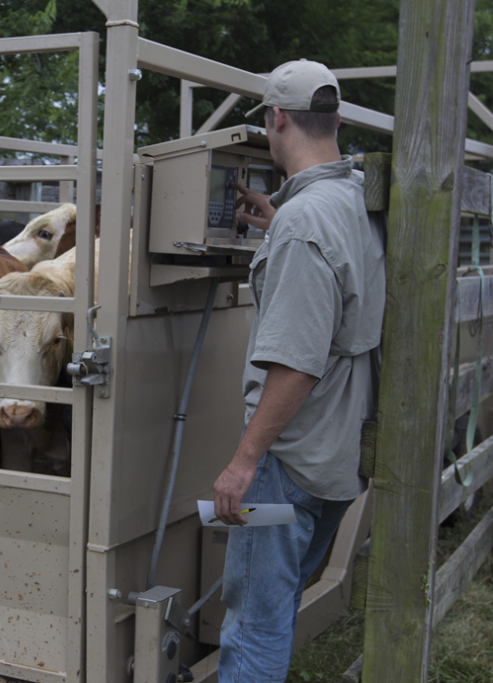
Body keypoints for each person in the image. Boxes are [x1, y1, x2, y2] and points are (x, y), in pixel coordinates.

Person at [212, 60, 385, 683]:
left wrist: (245, 462)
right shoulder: (359, 199)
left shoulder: (303, 226)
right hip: (336, 458)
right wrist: (276, 217)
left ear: (275, 118)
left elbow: (297, 363)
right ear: (335, 119)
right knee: (277, 605)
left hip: (286, 464)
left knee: (254, 624)